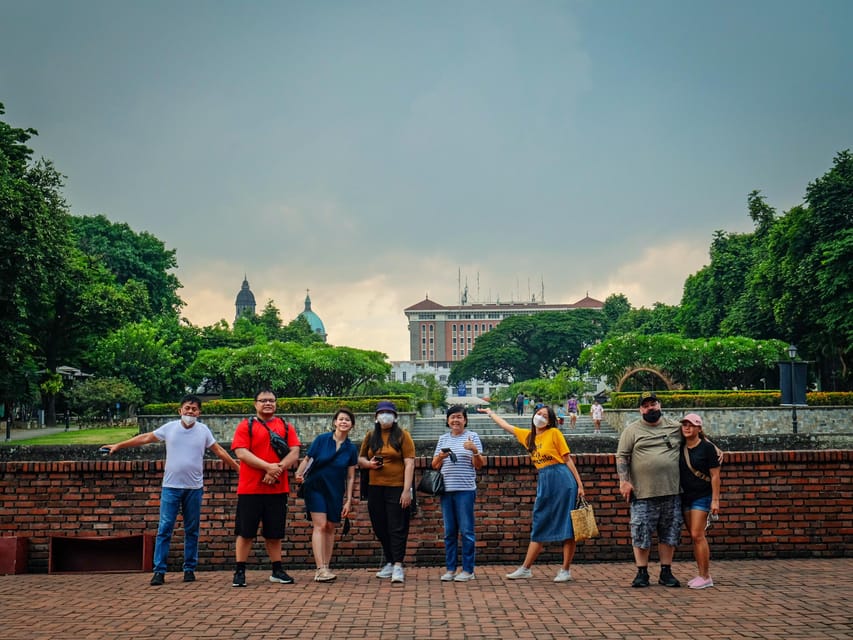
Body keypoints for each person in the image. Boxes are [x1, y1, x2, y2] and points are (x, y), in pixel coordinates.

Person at [102, 394, 240, 586]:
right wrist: (119, 445)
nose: (190, 412)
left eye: (194, 409)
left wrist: (238, 468)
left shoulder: (203, 431)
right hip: (171, 487)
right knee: (165, 529)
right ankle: (159, 570)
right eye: (187, 408)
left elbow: (220, 451)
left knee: (192, 530)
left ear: (199, 412)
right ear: (180, 410)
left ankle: (189, 569)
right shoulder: (170, 428)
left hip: (194, 488)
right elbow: (146, 438)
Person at [479, 403, 585, 582]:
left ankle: (565, 570)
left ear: (550, 421)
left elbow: (567, 459)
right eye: (538, 413)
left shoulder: (554, 433)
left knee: (567, 523)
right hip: (545, 479)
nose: (541, 417)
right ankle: (526, 568)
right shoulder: (528, 436)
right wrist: (490, 412)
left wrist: (580, 485)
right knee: (540, 520)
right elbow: (506, 426)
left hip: (562, 478)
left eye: (545, 415)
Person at [230, 389, 301, 587]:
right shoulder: (246, 425)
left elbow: (294, 452)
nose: (267, 404)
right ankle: (240, 570)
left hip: (277, 489)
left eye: (271, 400)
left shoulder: (286, 426)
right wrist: (267, 467)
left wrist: (276, 469)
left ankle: (277, 569)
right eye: (263, 401)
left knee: (274, 532)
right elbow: (241, 452)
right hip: (250, 489)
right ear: (255, 404)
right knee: (245, 532)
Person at [615, 392, 683, 588]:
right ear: (640, 410)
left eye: (653, 404)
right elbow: (622, 456)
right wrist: (624, 481)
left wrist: (715, 449)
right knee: (641, 532)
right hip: (643, 493)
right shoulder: (632, 430)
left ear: (659, 405)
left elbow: (696, 435)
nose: (650, 408)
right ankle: (642, 572)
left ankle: (666, 571)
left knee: (669, 533)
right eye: (645, 406)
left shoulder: (674, 427)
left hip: (671, 490)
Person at [294, 408, 358, 583]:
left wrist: (349, 500)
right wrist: (299, 474)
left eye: (348, 420)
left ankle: (326, 566)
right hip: (315, 487)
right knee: (320, 525)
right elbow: (308, 460)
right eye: (341, 419)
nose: (344, 422)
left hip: (336, 490)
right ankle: (320, 568)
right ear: (335, 422)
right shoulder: (322, 440)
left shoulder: (351, 449)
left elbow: (351, 476)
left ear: (352, 425)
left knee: (330, 526)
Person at [358, 400, 415, 584]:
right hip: (375, 487)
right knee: (380, 525)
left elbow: (409, 462)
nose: (385, 416)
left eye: (388, 412)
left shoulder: (402, 435)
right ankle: (389, 561)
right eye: (381, 413)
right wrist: (369, 464)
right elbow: (360, 459)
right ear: (376, 417)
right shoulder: (370, 436)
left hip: (397, 487)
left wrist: (406, 490)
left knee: (397, 526)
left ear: (395, 416)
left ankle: (398, 564)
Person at [431, 405, 485, 582]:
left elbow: (479, 464)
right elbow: (434, 465)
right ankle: (451, 569)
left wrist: (474, 450)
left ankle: (468, 570)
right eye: (452, 417)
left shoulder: (473, 437)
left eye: (459, 417)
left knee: (467, 531)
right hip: (446, 490)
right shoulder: (443, 438)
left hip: (465, 490)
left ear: (465, 420)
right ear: (447, 420)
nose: (456, 420)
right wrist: (440, 457)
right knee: (449, 531)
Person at [679, 413, 721, 589]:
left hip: (702, 496)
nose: (687, 428)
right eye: (685, 425)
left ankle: (705, 576)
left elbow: (715, 475)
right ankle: (702, 573)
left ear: (699, 428)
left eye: (691, 425)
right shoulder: (680, 446)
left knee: (698, 534)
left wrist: (715, 500)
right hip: (685, 496)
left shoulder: (707, 448)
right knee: (694, 536)